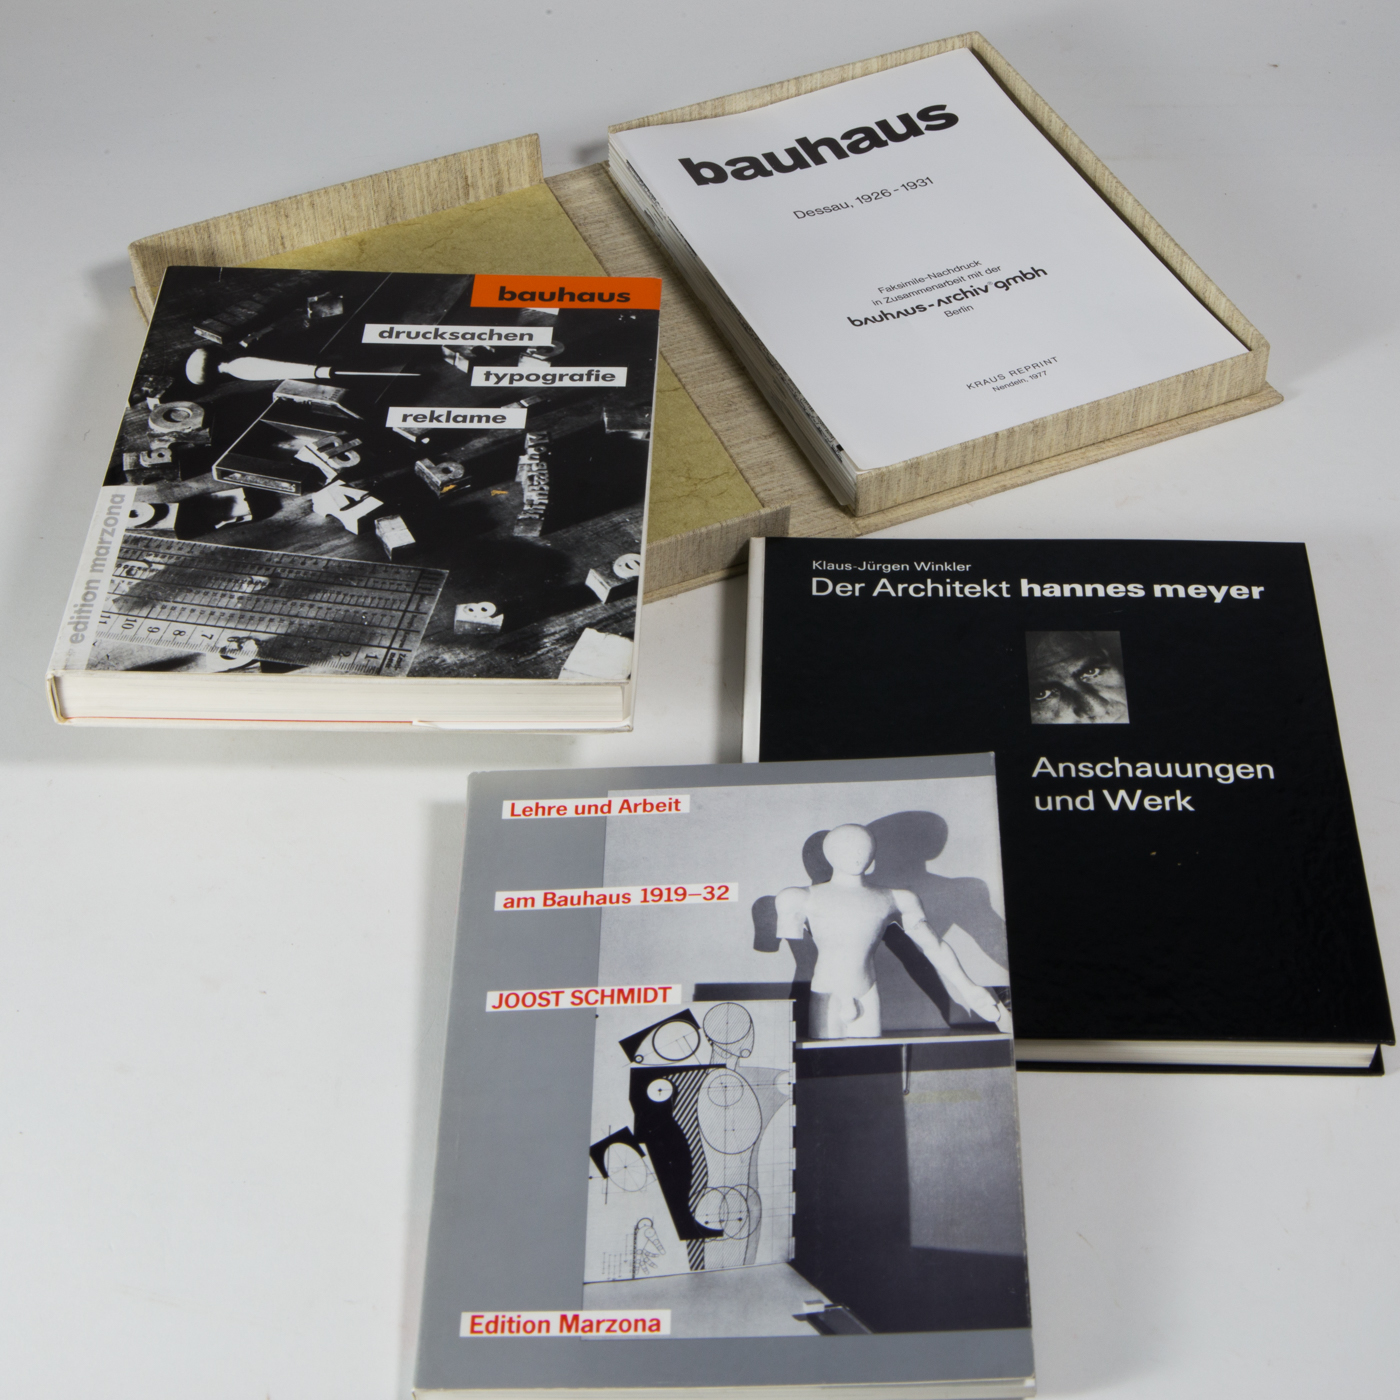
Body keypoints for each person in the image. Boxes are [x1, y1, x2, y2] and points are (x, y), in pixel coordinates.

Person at [774, 824, 1011, 1039]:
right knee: (826, 1058)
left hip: (867, 992)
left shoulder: (896, 898)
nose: (858, 854)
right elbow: (796, 961)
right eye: (847, 848)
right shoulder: (799, 898)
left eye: (864, 847)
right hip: (826, 993)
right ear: (829, 853)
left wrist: (968, 988)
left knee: (867, 1058)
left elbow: (933, 946)